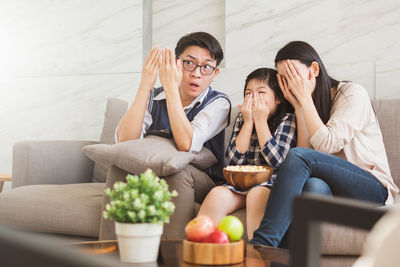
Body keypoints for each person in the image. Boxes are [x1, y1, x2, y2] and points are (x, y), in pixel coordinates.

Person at [250, 41, 399, 247]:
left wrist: (304, 99)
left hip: (372, 188)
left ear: (314, 70)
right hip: (333, 190)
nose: (290, 84)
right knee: (311, 187)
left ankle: (262, 244)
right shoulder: (305, 104)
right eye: (283, 78)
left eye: (293, 75)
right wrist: (299, 106)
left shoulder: (351, 93)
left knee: (299, 157)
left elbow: (327, 144)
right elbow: (306, 151)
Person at [116, 32, 231, 239]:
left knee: (178, 171)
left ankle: (175, 256)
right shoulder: (154, 96)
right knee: (119, 167)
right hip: (154, 171)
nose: (197, 73)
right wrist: (145, 86)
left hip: (202, 181)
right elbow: (125, 143)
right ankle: (115, 254)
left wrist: (171, 90)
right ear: (176, 64)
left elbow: (186, 143)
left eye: (206, 67)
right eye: (189, 63)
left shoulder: (219, 103)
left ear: (215, 74)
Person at [198, 68, 296, 240]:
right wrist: (249, 122)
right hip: (241, 184)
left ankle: (258, 257)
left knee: (257, 195)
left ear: (278, 98)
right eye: (248, 93)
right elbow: (232, 163)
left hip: (270, 184)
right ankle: (203, 251)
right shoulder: (242, 120)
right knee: (217, 194)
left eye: (261, 92)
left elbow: (278, 161)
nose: (253, 98)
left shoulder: (287, 120)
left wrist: (260, 122)